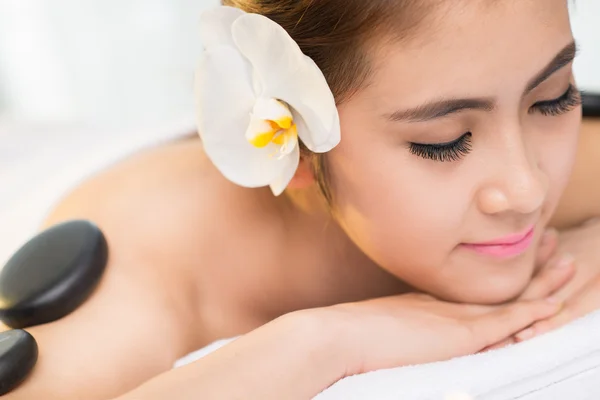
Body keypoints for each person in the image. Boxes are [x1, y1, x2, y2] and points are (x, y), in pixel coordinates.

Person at [7, 0, 600, 399]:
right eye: (444, 143)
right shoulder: (148, 279)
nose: (526, 188)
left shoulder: (516, 151)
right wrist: (322, 344)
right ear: (291, 144)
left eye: (551, 97)